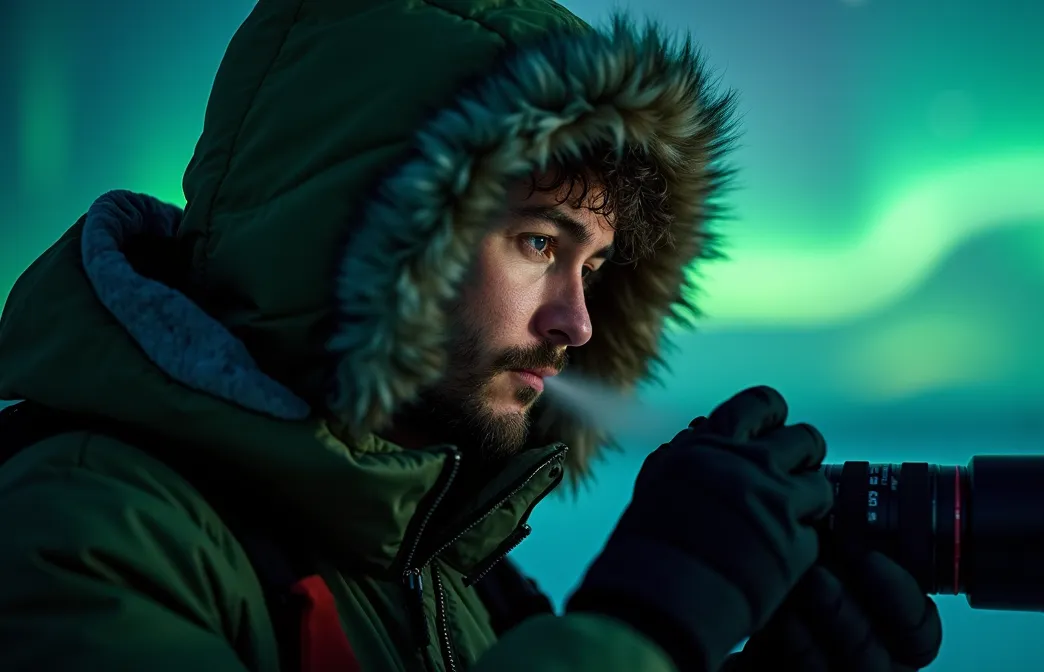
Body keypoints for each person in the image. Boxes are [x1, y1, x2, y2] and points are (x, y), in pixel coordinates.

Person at [0, 1, 943, 671]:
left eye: (597, 267)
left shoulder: (441, 577)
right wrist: (642, 626)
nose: (576, 321)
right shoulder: (82, 531)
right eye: (540, 242)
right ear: (355, 234)